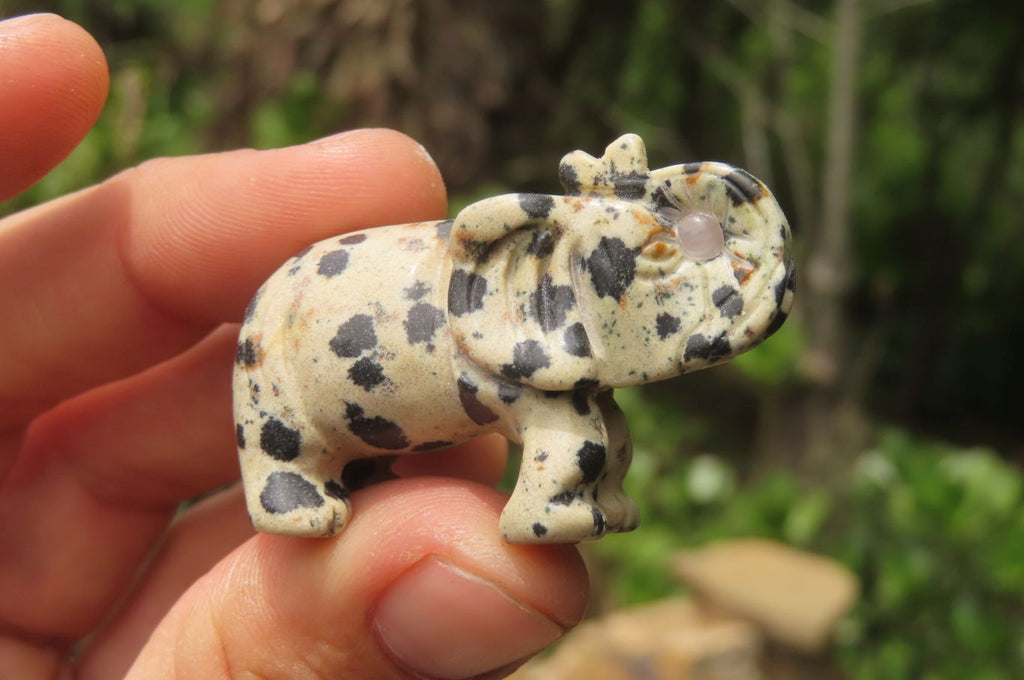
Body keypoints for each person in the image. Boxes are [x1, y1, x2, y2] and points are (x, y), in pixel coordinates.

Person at [0, 13, 587, 680]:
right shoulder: (513, 303)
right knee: (287, 429)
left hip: (384, 346)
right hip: (311, 330)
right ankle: (285, 479)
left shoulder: (531, 327)